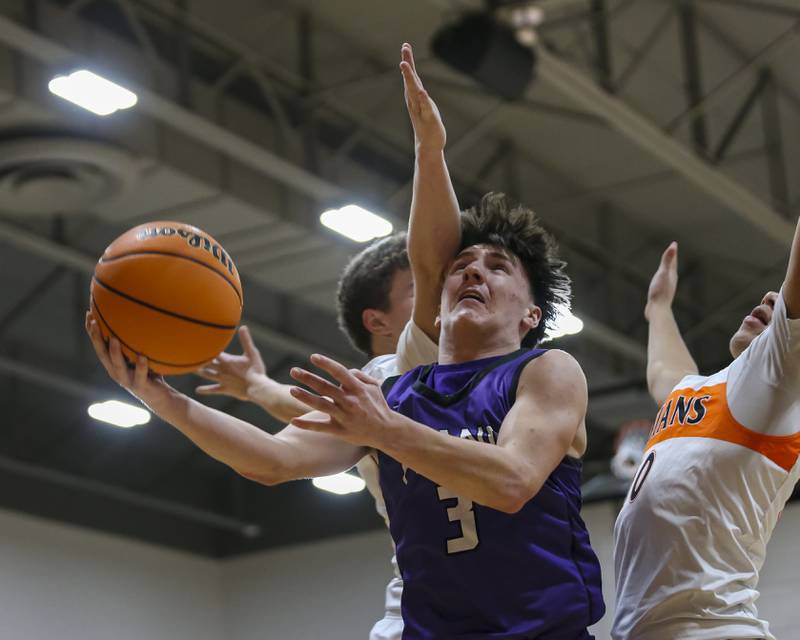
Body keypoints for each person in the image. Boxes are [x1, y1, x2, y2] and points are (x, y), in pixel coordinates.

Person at [85, 42, 462, 640]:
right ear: (379, 324)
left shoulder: (529, 372)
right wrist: (165, 401)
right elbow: (281, 453)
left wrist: (258, 385)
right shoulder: (388, 379)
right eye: (417, 291)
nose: (444, 293)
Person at [288, 188, 605, 638]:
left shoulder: (543, 369)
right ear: (436, 308)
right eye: (462, 268)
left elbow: (512, 481)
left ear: (532, 314)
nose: (474, 271)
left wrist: (429, 147)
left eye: (497, 267)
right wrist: (166, 397)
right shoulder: (389, 387)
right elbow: (272, 457)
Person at [612, 234, 800, 640]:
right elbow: (666, 373)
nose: (770, 297)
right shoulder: (705, 391)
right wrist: (658, 307)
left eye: (780, 303)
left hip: (716, 630)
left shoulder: (781, 384)